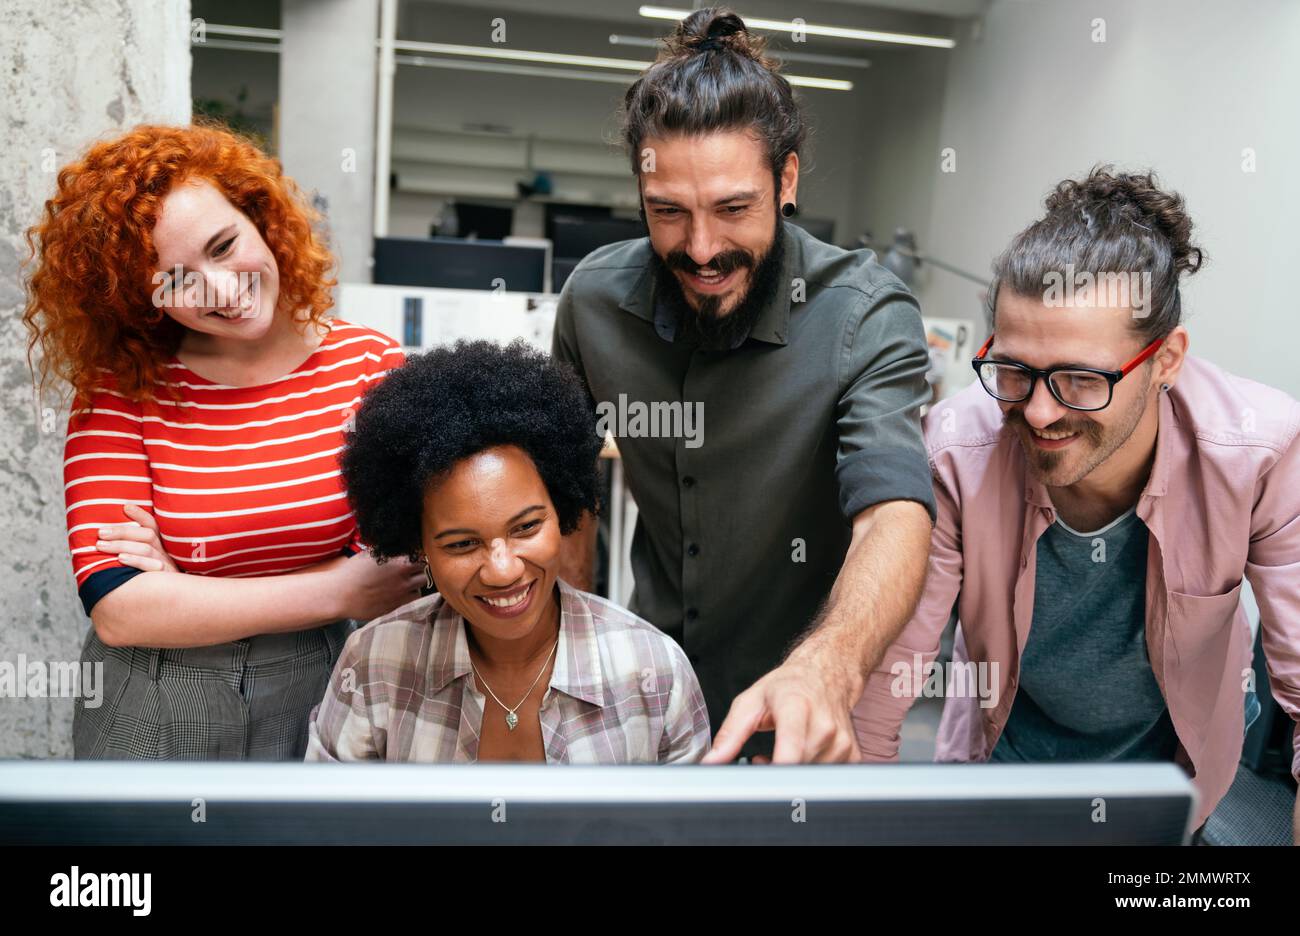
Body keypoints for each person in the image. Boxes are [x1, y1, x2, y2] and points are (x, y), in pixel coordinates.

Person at [852, 167, 1300, 836]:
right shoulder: (955, 452)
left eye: (1078, 380)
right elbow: (884, 694)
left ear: (1166, 359)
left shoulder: (1259, 454)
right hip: (997, 773)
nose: (1036, 413)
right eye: (1013, 370)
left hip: (1171, 787)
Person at [552, 7, 934, 762]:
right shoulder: (593, 304)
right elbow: (564, 495)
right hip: (646, 700)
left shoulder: (864, 314)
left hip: (800, 715)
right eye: (668, 213)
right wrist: (564, 656)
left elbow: (894, 512)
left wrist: (827, 668)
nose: (701, 249)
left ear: (784, 179)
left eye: (733, 209)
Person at [23, 122, 424, 760]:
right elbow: (122, 608)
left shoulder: (369, 366)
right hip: (155, 697)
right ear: (141, 298)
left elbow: (400, 567)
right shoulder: (122, 387)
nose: (220, 289)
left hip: (325, 688)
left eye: (223, 244)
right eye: (175, 279)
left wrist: (187, 583)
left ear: (259, 216)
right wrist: (338, 588)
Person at [305, 340, 712, 764]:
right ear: (418, 545)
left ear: (561, 510)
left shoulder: (653, 670)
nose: (502, 571)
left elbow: (687, 830)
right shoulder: (374, 665)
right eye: (462, 544)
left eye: (527, 527)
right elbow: (328, 828)